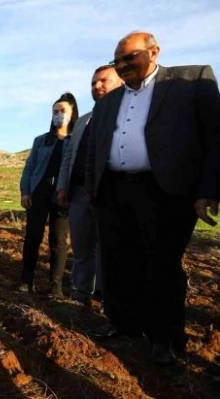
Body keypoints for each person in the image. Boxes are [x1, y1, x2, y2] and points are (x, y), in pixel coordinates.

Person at [85, 32, 220, 365]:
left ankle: (166, 338)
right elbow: (94, 149)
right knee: (118, 262)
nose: (123, 65)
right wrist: (94, 191)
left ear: (154, 51)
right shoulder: (108, 102)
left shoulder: (192, 79)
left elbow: (215, 137)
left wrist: (208, 190)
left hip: (166, 190)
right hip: (114, 190)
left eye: (129, 57)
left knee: (161, 264)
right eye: (118, 60)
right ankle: (125, 324)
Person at [56, 66, 123, 306]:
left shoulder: (125, 115)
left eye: (104, 81)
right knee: (82, 247)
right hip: (78, 193)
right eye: (93, 83)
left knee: (109, 248)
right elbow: (68, 158)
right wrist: (62, 187)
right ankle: (80, 294)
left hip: (110, 193)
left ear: (120, 82)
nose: (97, 86)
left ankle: (108, 299)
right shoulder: (84, 121)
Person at [19, 93, 77, 297]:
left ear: (72, 113)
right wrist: (25, 191)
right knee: (33, 237)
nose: (58, 115)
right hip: (39, 193)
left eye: (63, 111)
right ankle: (26, 281)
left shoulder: (76, 140)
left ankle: (56, 286)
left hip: (63, 195)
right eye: (55, 111)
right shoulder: (41, 141)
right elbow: (29, 168)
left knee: (58, 240)